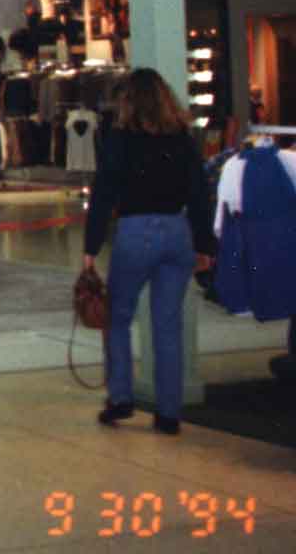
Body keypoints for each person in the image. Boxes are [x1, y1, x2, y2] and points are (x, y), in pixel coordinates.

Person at [83, 68, 215, 435]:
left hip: (136, 232)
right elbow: (199, 194)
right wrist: (204, 244)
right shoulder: (183, 138)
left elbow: (104, 192)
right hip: (177, 232)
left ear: (128, 101)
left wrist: (91, 247)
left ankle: (121, 398)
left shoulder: (120, 138)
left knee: (118, 318)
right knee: (167, 325)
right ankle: (169, 413)